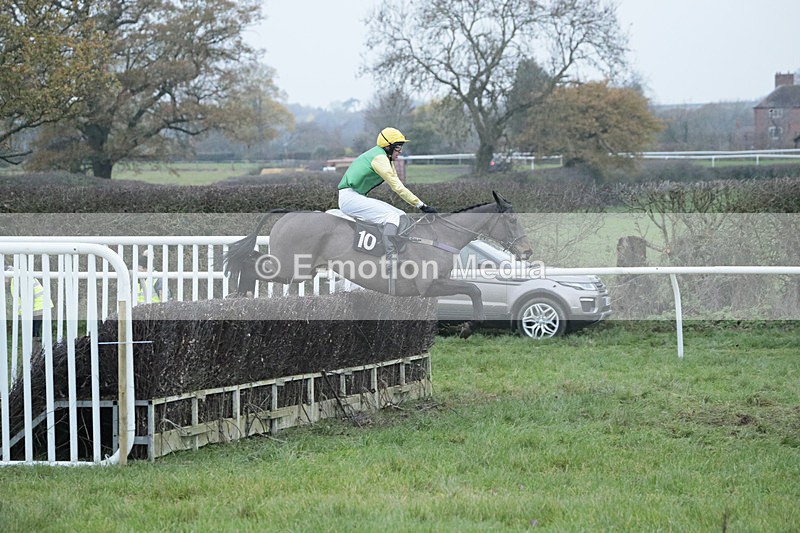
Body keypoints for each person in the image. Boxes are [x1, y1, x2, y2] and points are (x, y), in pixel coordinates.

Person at [338, 127, 438, 261]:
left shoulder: (384, 158)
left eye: (400, 148)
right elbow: (397, 187)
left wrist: (420, 205)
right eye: (397, 148)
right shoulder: (379, 158)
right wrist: (422, 206)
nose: (400, 151)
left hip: (355, 197)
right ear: (387, 147)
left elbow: (398, 184)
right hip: (350, 198)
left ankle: (395, 251)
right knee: (391, 216)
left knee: (400, 214)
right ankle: (390, 258)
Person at [5, 264, 54, 341]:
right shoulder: (19, 276)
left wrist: (28, 312)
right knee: (34, 332)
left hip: (37, 307)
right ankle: (36, 350)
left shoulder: (17, 278)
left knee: (33, 333)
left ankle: (35, 350)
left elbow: (28, 295)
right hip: (38, 306)